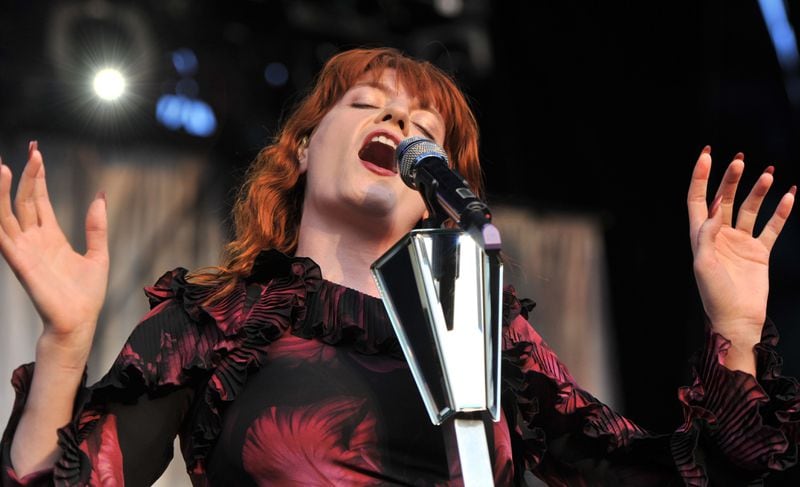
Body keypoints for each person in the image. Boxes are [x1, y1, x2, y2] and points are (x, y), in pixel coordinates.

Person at [0, 47, 797, 486]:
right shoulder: (219, 319)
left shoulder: (489, 338)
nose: (399, 118)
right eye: (368, 103)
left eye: (425, 124)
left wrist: (736, 326)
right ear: (306, 150)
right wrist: (67, 342)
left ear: (432, 194)